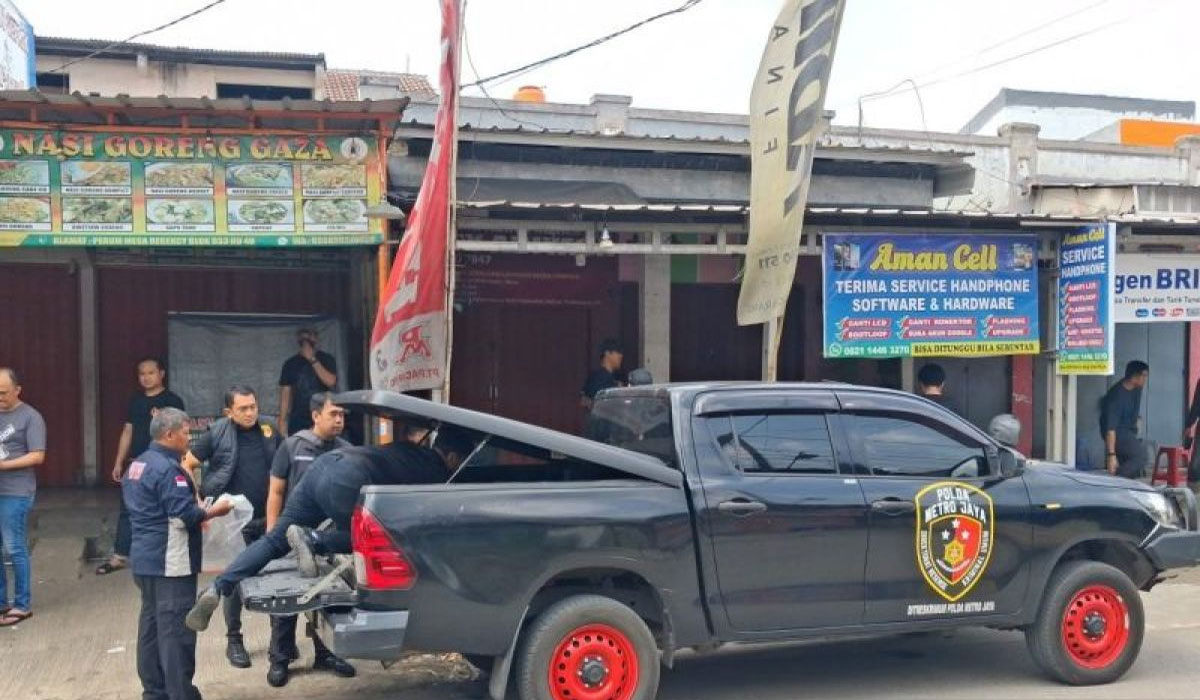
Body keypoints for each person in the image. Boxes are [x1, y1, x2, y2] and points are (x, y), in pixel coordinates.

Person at [185, 427, 475, 633]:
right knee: (380, 540)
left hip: (322, 468)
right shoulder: (438, 470)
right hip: (347, 479)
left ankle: (218, 587)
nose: (458, 466)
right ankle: (313, 538)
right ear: (452, 456)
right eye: (460, 461)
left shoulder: (411, 449)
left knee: (274, 540)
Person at [124, 407, 234, 700]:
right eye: (186, 433)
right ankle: (180, 693)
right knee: (176, 631)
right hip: (170, 563)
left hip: (145, 561)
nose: (189, 439)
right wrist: (214, 510)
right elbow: (184, 515)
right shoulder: (169, 470)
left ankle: (155, 691)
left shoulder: (138, 465)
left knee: (151, 626)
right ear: (169, 434)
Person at [182, 385, 281, 669]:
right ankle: (234, 641)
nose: (250, 413)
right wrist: (198, 500)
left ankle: (280, 643)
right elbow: (187, 463)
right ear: (229, 411)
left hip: (268, 517)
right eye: (243, 409)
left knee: (277, 579)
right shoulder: (217, 432)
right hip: (234, 522)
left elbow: (282, 465)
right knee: (233, 583)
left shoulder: (269, 428)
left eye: (253, 406)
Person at [262, 392, 353, 687]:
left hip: (328, 537)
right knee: (286, 597)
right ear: (315, 415)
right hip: (292, 533)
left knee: (328, 596)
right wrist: (273, 535)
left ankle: (326, 653)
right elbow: (276, 491)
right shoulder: (292, 446)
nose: (339, 420)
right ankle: (279, 659)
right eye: (333, 414)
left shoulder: (347, 450)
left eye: (342, 415)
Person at [98, 357, 186, 576]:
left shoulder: (172, 400)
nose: (146, 378)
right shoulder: (135, 401)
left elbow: (182, 434)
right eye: (142, 374)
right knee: (128, 508)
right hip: (137, 462)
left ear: (161, 374)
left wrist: (184, 462)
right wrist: (119, 461)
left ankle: (170, 554)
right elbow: (128, 431)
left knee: (167, 507)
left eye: (151, 373)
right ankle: (119, 555)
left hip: (166, 463)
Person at [0, 367, 44, 627]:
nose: (0, 397)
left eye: (4, 393)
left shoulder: (31, 417)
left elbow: (38, 455)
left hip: (16, 491)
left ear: (17, 390)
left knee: (14, 546)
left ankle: (22, 604)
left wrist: (3, 466)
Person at [278, 328, 337, 437]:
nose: (307, 340)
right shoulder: (290, 364)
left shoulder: (327, 359)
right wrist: (282, 421)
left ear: (317, 338)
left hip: (322, 416)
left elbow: (330, 382)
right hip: (298, 420)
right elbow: (285, 396)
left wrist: (312, 359)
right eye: (303, 337)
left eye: (310, 336)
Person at [1100, 360, 1150, 479]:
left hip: (1128, 430)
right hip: (1115, 432)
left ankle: (1124, 488)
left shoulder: (1137, 388)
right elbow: (1110, 429)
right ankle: (1116, 479)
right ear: (1134, 377)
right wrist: (1111, 455)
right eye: (1144, 376)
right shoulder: (1116, 396)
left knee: (1131, 468)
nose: (1145, 379)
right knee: (1141, 456)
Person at [580, 339, 624, 410]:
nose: (621, 356)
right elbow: (584, 400)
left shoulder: (617, 377)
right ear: (607, 353)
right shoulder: (596, 377)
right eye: (618, 352)